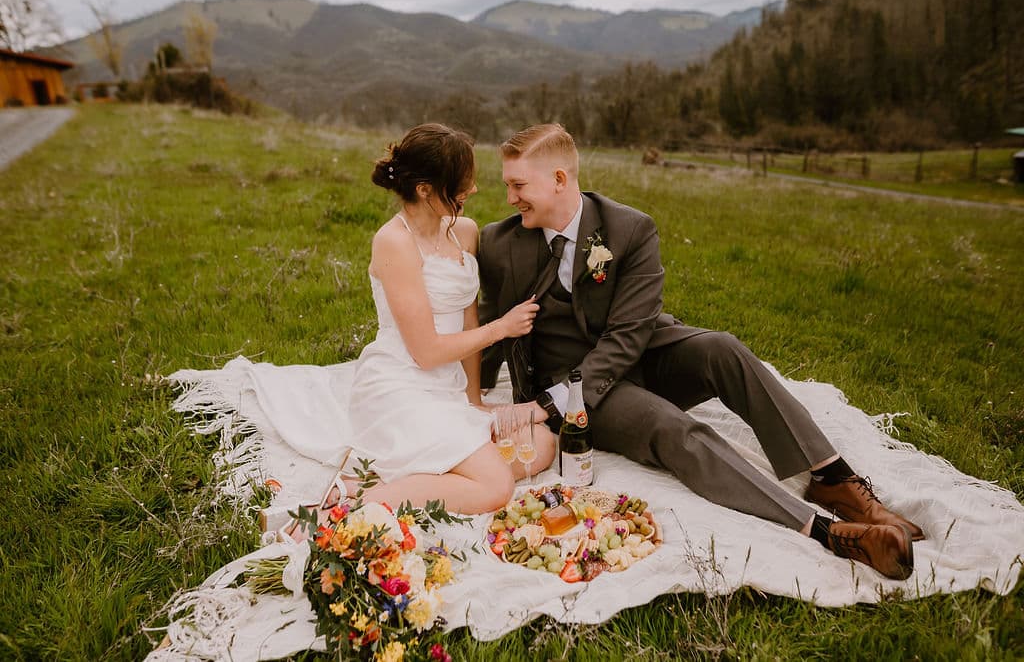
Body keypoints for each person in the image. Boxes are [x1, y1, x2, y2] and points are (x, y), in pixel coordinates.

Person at [477, 123, 924, 580]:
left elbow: (629, 337)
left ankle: (834, 479)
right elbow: (486, 331)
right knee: (671, 427)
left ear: (558, 179)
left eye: (518, 185)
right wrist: (482, 400)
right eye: (507, 185)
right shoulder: (499, 243)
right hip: (571, 389)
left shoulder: (628, 229)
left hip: (638, 354)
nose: (510, 197)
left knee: (722, 348)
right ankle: (827, 530)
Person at [283, 123, 553, 538]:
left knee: (542, 444)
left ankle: (403, 480)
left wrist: (473, 400)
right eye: (463, 182)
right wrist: (502, 328)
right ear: (426, 189)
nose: (474, 189)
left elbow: (467, 320)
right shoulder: (393, 243)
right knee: (497, 486)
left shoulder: (463, 231)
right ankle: (352, 505)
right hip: (400, 387)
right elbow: (425, 352)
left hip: (446, 391)